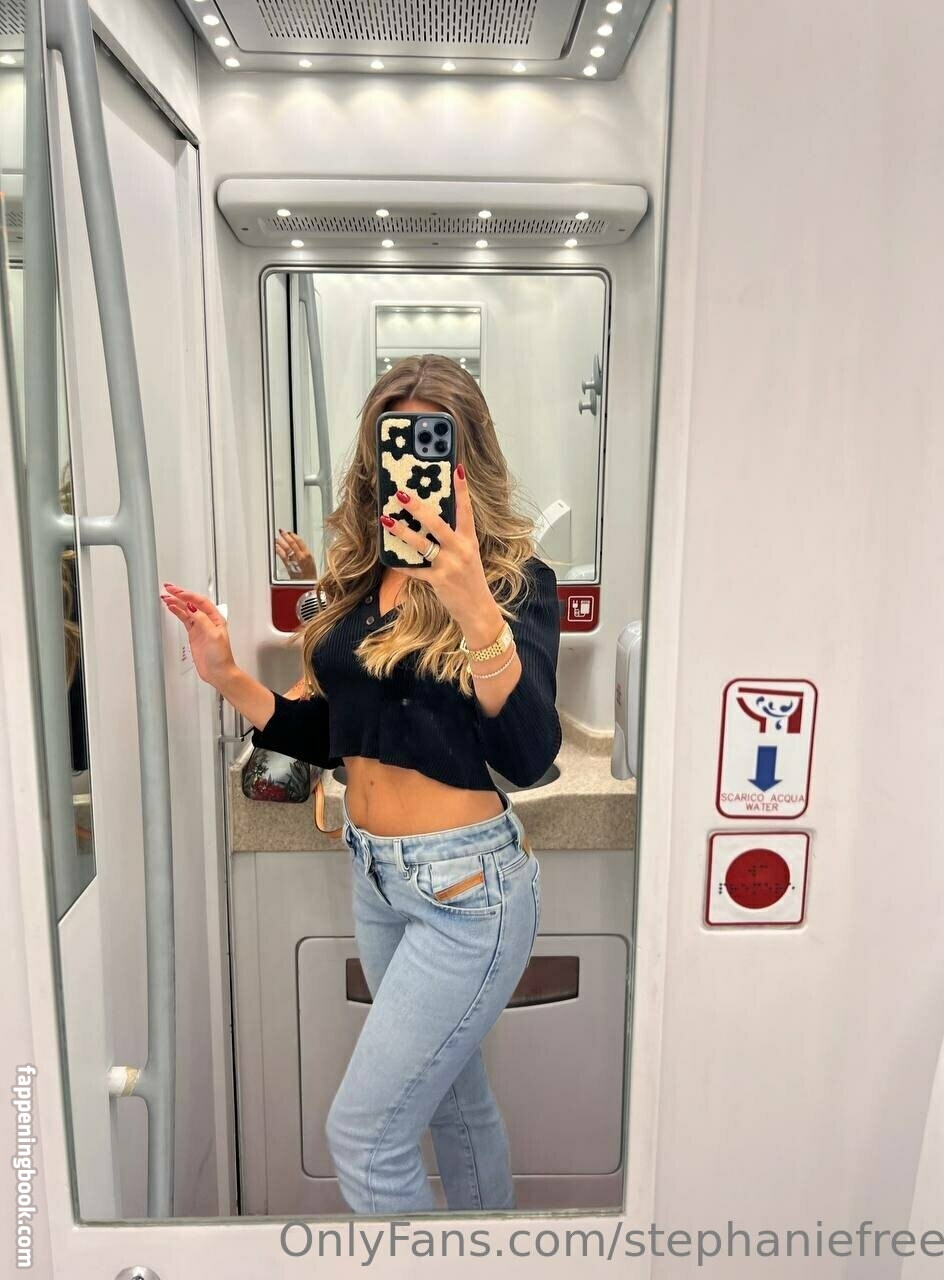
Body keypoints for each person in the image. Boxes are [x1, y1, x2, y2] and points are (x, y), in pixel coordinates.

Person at [161, 353, 562, 1214]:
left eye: (429, 446)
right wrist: (227, 676)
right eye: (392, 445)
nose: (406, 467)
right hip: (377, 877)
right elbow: (336, 738)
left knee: (365, 1138)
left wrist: (475, 610)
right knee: (454, 1105)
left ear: (467, 460)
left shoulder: (514, 584)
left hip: (469, 890)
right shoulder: (353, 579)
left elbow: (530, 754)